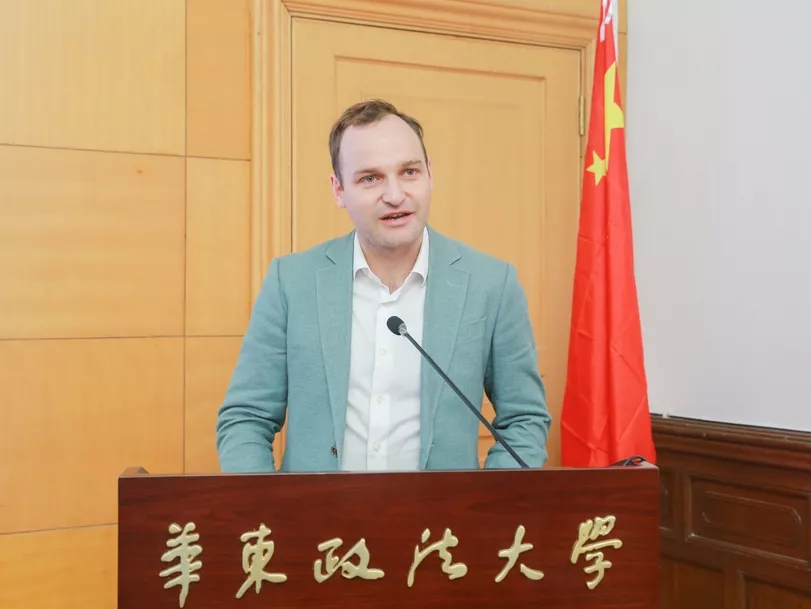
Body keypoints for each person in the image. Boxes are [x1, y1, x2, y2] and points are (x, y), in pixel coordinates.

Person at [215, 99, 551, 473]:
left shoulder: (492, 284)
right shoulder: (291, 282)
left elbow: (523, 420)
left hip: (444, 513)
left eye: (409, 172)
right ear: (339, 190)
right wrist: (267, 504)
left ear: (430, 175)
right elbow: (246, 418)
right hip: (317, 511)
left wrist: (486, 503)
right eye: (370, 178)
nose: (394, 195)